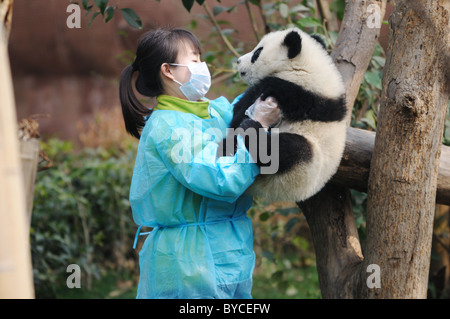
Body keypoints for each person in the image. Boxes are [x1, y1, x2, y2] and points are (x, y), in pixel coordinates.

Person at [119, 28, 280, 299]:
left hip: (231, 246)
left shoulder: (213, 111)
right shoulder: (168, 127)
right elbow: (221, 181)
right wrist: (259, 124)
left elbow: (247, 122)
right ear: (168, 71)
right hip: (189, 261)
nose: (202, 66)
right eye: (193, 60)